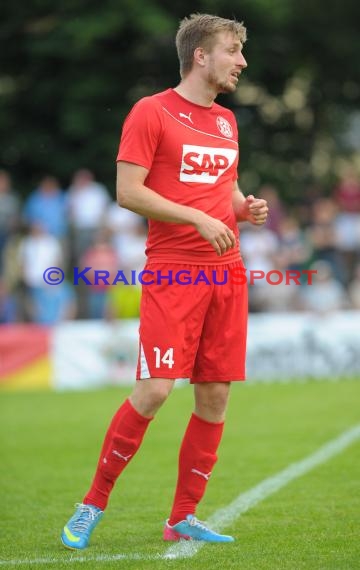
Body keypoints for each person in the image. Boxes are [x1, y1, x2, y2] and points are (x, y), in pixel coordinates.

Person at [61, 13, 268, 549]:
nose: (242, 61)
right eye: (233, 50)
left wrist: (242, 208)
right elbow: (129, 192)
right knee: (154, 390)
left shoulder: (226, 122)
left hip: (227, 274)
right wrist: (196, 218)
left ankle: (183, 516)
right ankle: (91, 504)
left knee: (215, 398)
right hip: (175, 273)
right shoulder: (150, 112)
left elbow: (222, 190)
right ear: (201, 55)